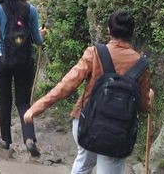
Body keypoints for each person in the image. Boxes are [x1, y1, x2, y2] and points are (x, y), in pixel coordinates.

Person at [24, 10, 155, 174]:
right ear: (132, 33)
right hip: (119, 131)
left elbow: (67, 85)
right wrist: (149, 99)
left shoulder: (94, 53)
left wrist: (36, 108)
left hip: (87, 123)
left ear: (109, 30)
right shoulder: (141, 64)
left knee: (84, 164)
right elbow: (142, 107)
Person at [0, 0, 47, 156]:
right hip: (25, 61)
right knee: (23, 101)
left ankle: (5, 140)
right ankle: (29, 138)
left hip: (3, 61)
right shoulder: (31, 9)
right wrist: (41, 33)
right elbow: (37, 40)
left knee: (5, 101)